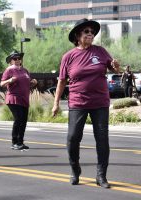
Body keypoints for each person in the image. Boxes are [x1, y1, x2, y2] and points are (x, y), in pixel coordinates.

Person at [52, 19, 120, 188]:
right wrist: (55, 104)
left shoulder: (101, 51)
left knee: (102, 139)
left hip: (100, 102)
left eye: (92, 32)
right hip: (78, 102)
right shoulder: (68, 56)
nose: (90, 34)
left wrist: (115, 66)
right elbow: (61, 82)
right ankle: (75, 170)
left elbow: (114, 69)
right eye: (86, 31)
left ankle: (101, 176)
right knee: (73, 138)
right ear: (78, 35)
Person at [0, 50, 37, 150]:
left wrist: (33, 82)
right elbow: (2, 83)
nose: (17, 60)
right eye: (14, 58)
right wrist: (9, 80)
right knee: (18, 119)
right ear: (11, 61)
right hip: (13, 98)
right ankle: (14, 142)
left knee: (24, 121)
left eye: (18, 58)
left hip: (24, 99)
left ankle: (20, 142)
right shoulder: (9, 70)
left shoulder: (25, 71)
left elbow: (27, 84)